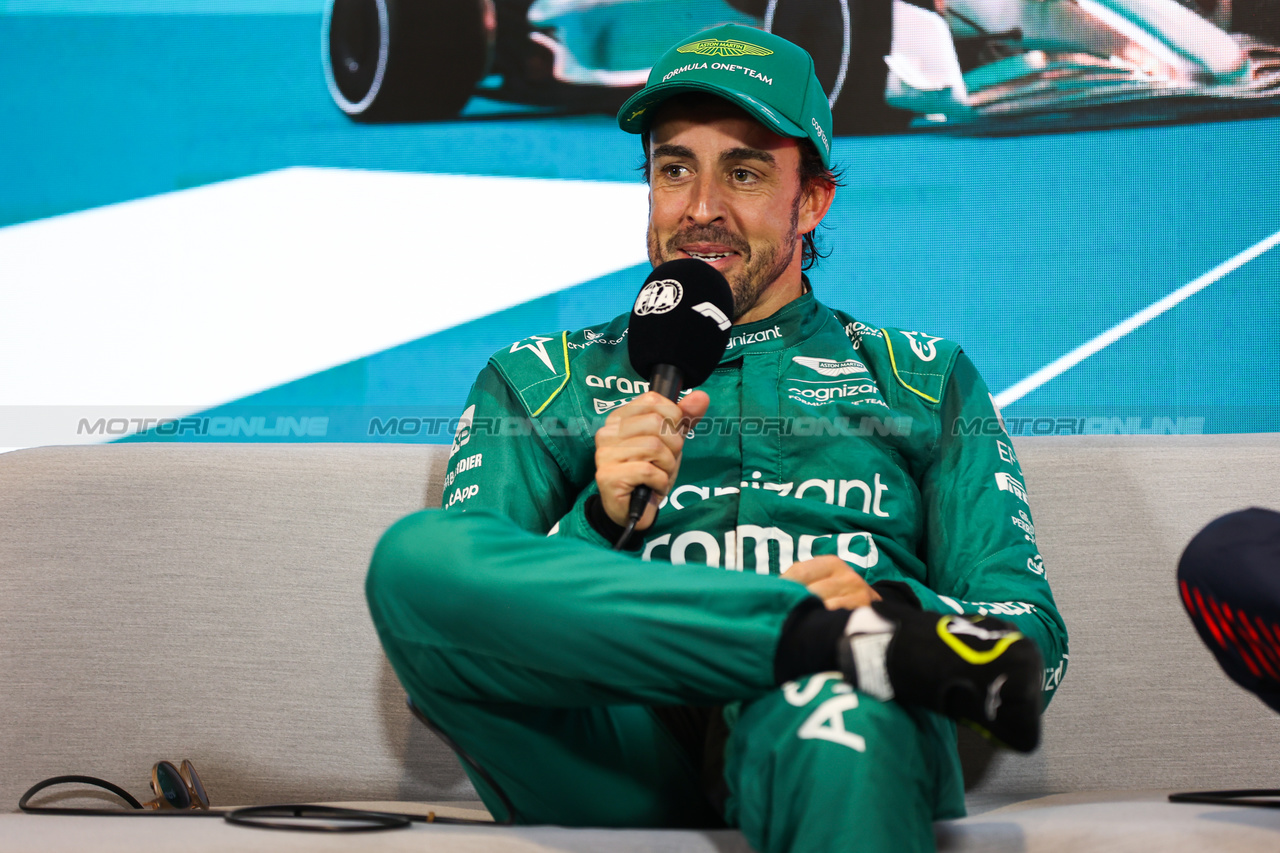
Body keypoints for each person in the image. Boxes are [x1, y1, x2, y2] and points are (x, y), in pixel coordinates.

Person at [366, 23, 1068, 853]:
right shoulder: (537, 377)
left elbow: (1029, 642)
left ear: (811, 199)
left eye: (743, 170)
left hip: (826, 715)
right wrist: (594, 522)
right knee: (413, 559)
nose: (701, 209)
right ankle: (829, 638)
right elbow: (457, 630)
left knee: (838, 711)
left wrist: (894, 604)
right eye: (674, 170)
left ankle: (844, 645)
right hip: (615, 743)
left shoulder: (921, 374)